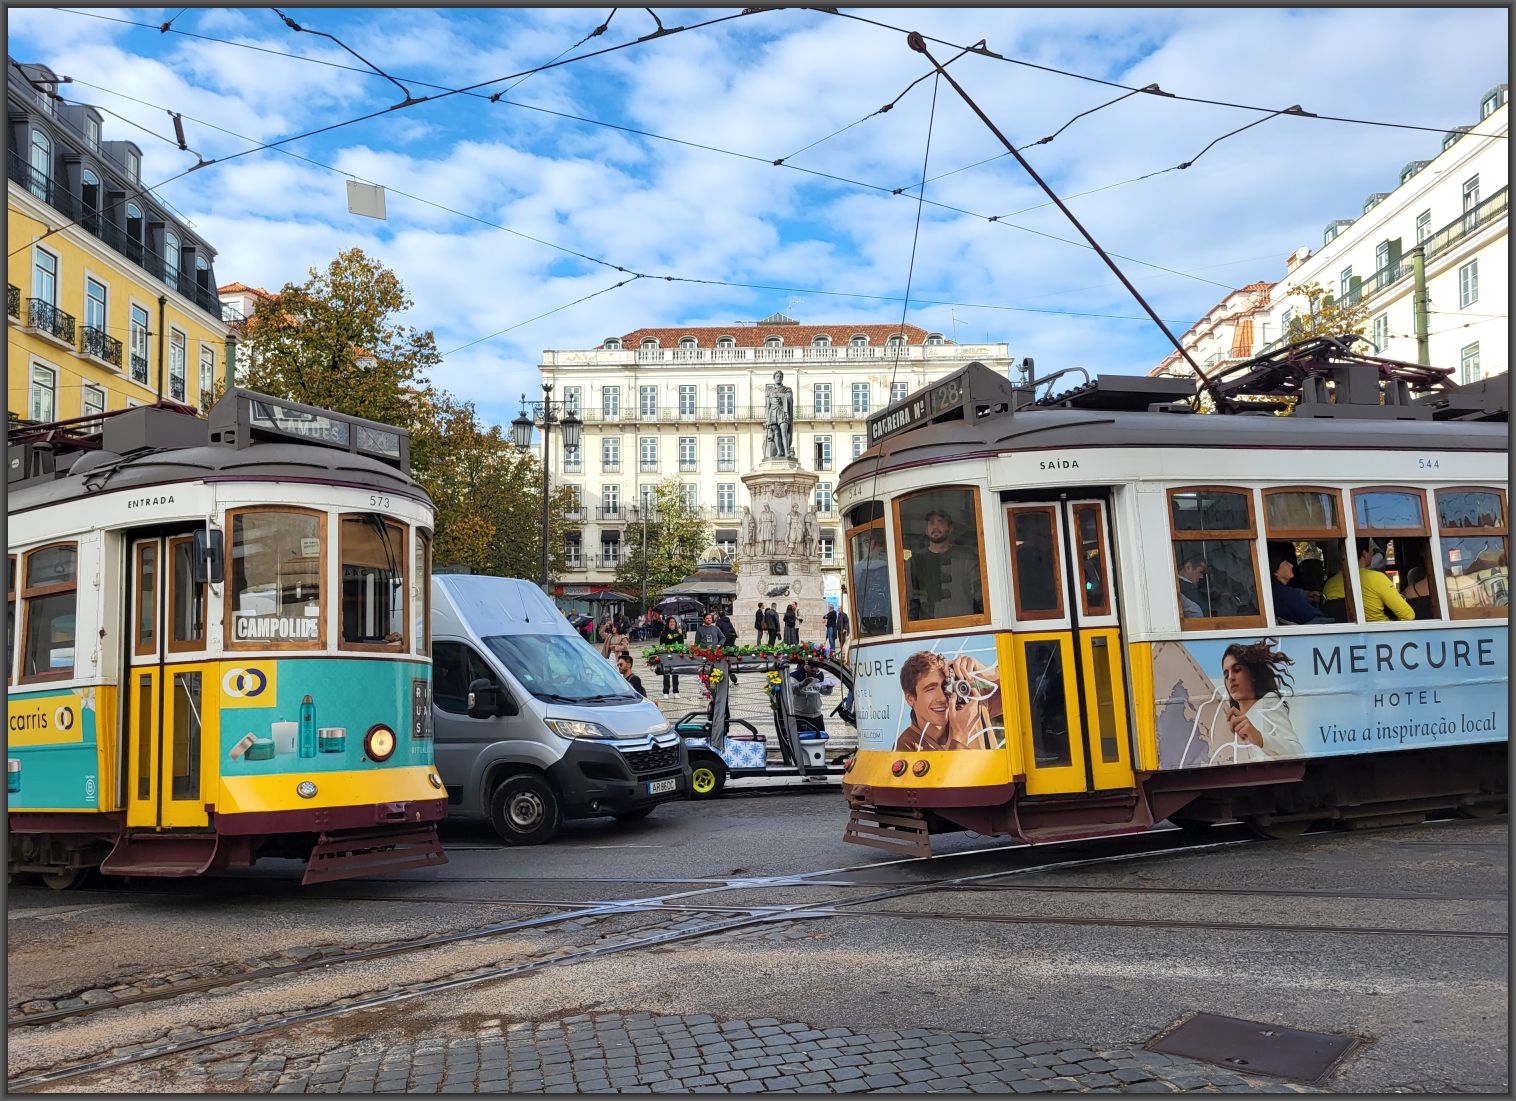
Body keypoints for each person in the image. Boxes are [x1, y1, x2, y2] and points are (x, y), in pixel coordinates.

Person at [894, 651, 1001, 752]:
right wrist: (959, 736)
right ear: (910, 699)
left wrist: (992, 673)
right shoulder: (904, 748)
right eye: (930, 689)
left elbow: (1011, 691)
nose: (943, 698)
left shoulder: (971, 704)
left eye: (945, 686)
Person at [907, 508, 983, 621]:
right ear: (926, 530)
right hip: (928, 627)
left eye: (940, 522)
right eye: (931, 523)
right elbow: (910, 599)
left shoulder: (967, 558)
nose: (935, 527)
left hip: (966, 624)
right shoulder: (915, 561)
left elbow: (980, 596)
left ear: (950, 528)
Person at [1323, 539, 1415, 622]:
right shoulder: (1377, 578)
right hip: (1381, 633)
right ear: (1364, 553)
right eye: (1372, 552)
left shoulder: (1330, 584)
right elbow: (1408, 615)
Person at [1269, 548, 1333, 625]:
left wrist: (1307, 594)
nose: (1291, 565)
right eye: (1286, 563)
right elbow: (1318, 620)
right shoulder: (1286, 593)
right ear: (1276, 571)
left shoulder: (1276, 592)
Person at [853, 532, 891, 634]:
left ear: (872, 544)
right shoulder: (896, 563)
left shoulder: (858, 568)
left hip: (867, 621)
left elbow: (856, 596)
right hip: (891, 621)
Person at [789, 658, 836, 736]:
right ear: (805, 664)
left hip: (817, 715)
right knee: (803, 740)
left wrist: (829, 688)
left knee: (820, 738)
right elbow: (791, 690)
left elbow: (822, 690)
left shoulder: (819, 675)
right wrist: (801, 684)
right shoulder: (795, 676)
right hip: (801, 715)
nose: (814, 669)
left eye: (816, 667)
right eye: (812, 667)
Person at [1176, 552, 1210, 619]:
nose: (1201, 577)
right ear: (1188, 567)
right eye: (1200, 571)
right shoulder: (1189, 591)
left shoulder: (1174, 586)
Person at [659, 615, 686, 696]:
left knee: (675, 672)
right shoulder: (664, 633)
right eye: (670, 622)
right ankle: (666, 691)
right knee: (666, 673)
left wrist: (681, 634)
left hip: (676, 655)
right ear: (668, 623)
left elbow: (681, 644)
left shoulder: (678, 632)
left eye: (673, 622)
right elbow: (661, 644)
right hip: (666, 654)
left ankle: (676, 691)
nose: (672, 623)